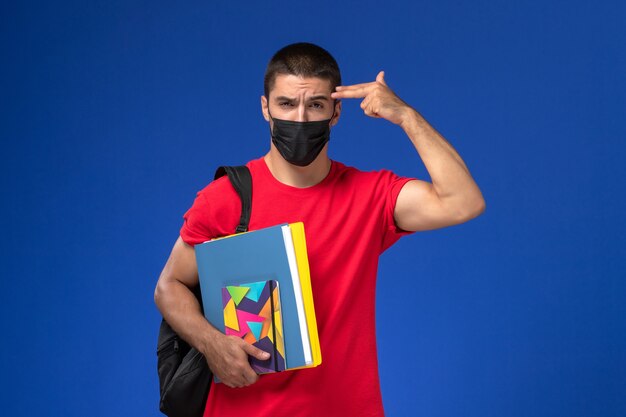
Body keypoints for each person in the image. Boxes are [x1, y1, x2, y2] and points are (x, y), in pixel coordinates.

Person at [154, 42, 485, 416]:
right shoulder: (227, 197)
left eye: (315, 105)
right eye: (285, 104)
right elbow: (169, 285)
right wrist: (212, 343)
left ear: (336, 111)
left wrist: (406, 116)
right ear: (265, 108)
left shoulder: (369, 195)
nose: (299, 118)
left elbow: (463, 201)